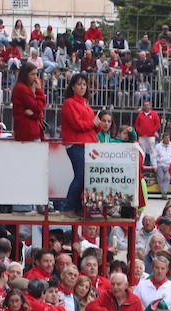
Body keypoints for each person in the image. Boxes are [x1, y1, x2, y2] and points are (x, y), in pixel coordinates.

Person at [60, 72, 102, 216]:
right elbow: (77, 125)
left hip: (86, 144)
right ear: (72, 87)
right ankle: (67, 208)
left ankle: (76, 208)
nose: (82, 87)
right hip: (75, 143)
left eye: (84, 84)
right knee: (81, 176)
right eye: (79, 84)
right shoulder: (69, 103)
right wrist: (92, 123)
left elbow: (88, 127)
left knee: (84, 177)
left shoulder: (85, 104)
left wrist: (97, 125)